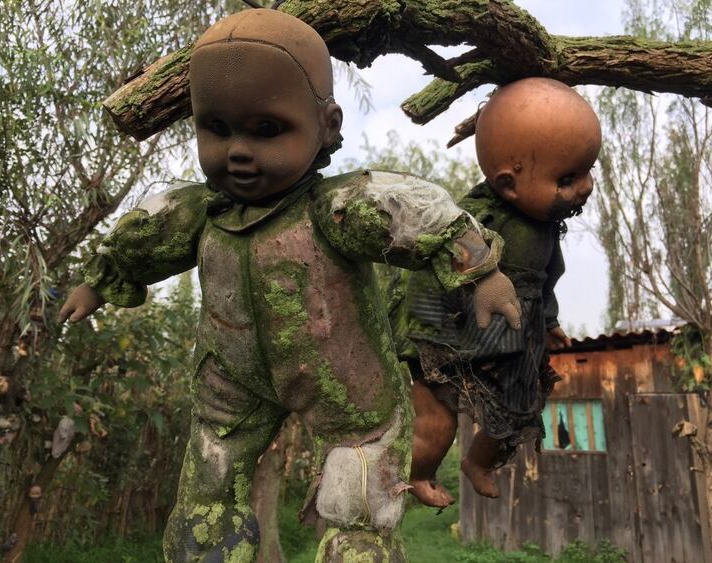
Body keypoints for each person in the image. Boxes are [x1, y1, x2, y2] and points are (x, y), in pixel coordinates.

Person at [58, 9, 521, 562]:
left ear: (326, 125)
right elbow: (143, 237)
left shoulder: (338, 208)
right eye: (217, 128)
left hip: (348, 389)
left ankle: (358, 543)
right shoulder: (199, 215)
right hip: (229, 384)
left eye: (267, 129)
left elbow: (414, 215)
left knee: (358, 494)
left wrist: (481, 272)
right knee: (208, 491)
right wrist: (99, 283)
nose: (238, 150)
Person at [402, 77, 602, 507]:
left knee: (516, 408)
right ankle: (418, 473)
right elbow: (445, 247)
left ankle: (478, 463)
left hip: (513, 338)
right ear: (509, 184)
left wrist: (548, 320)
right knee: (437, 417)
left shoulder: (546, 224)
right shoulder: (476, 215)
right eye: (568, 178)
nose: (585, 186)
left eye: (589, 170)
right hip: (455, 330)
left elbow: (547, 278)